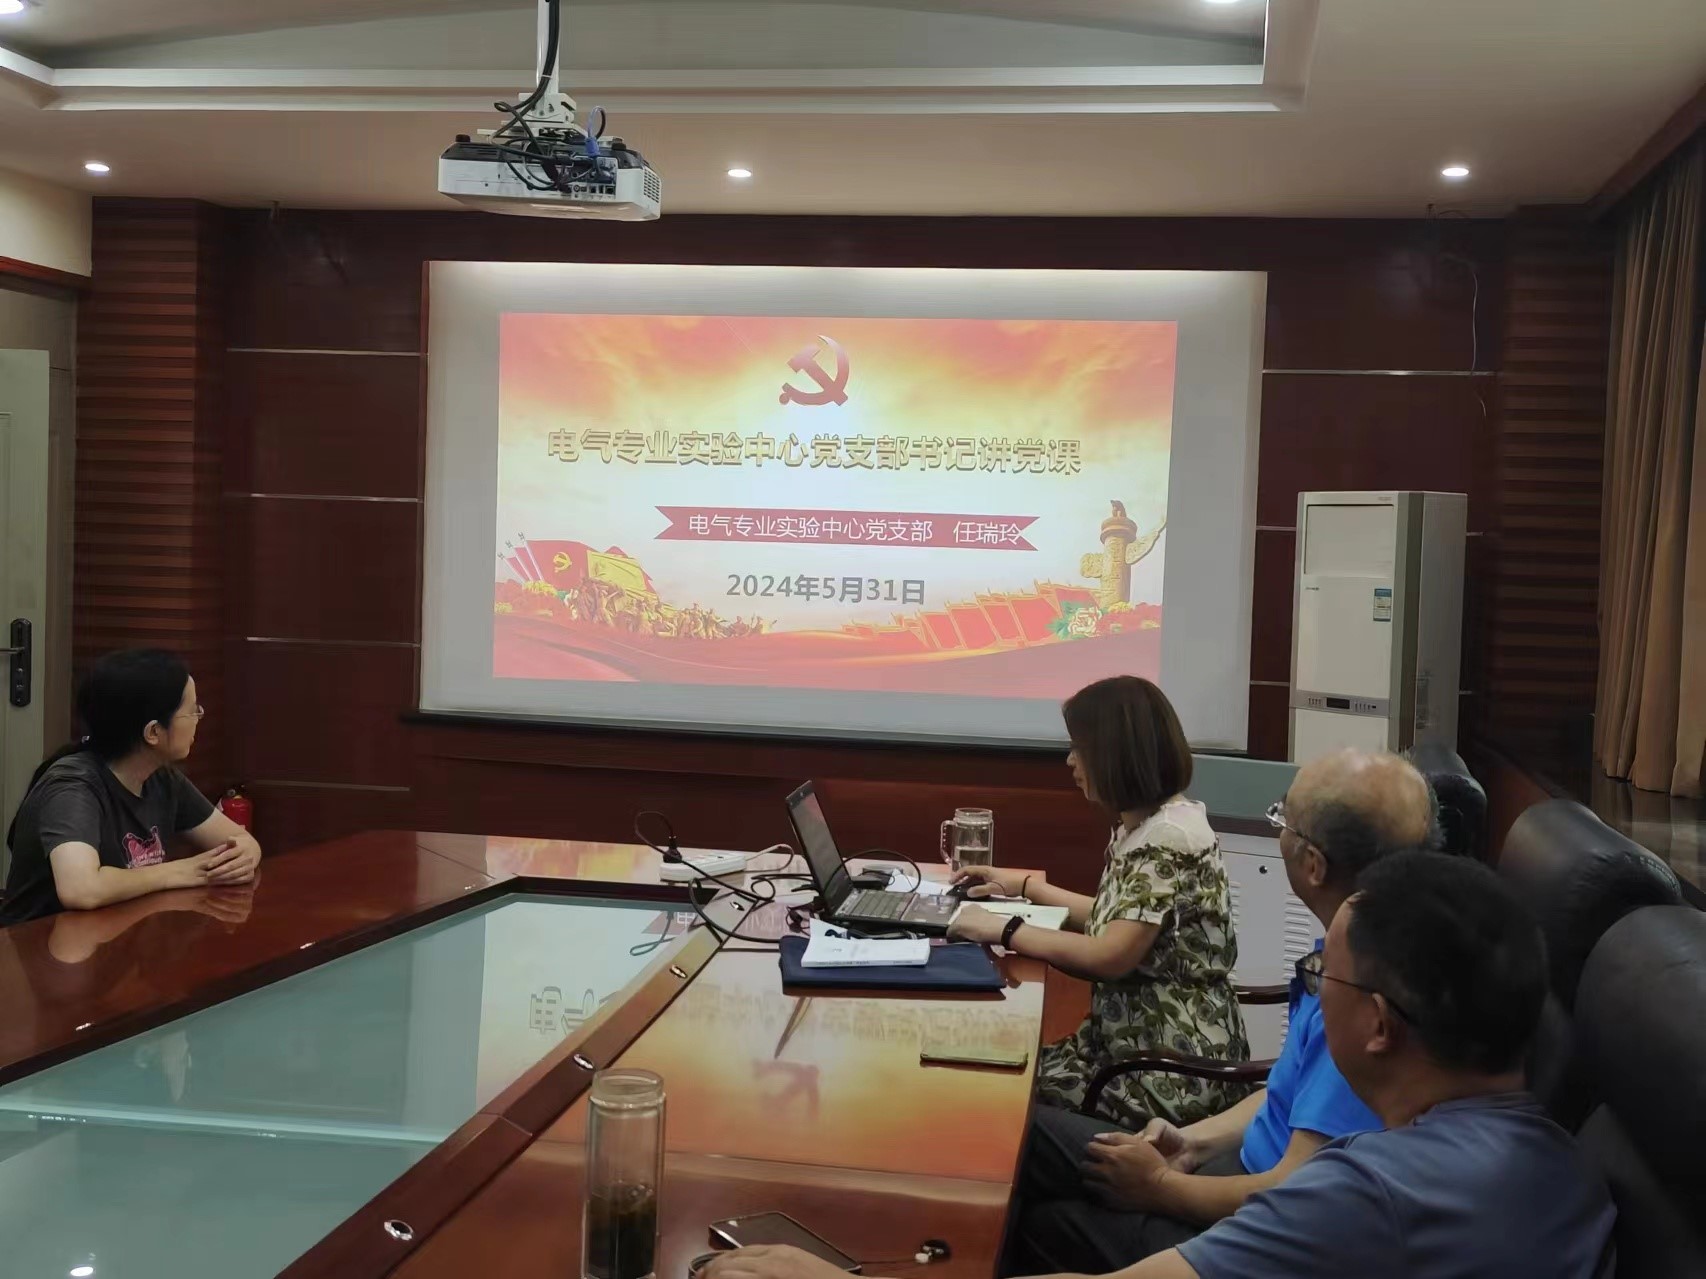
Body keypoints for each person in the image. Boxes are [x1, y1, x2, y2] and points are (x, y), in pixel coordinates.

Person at [704, 853, 1616, 1279]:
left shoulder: (1373, 1194)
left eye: (1321, 975)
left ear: (1378, 1025)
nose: (1313, 991)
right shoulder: (1560, 1161)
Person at [1011, 749, 1436, 1273]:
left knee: (1035, 1208)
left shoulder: (1360, 1005)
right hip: (1228, 1168)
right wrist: (1191, 1142)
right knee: (1023, 1143)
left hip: (1246, 1228)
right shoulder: (1362, 949)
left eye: (1283, 818)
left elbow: (1296, 1195)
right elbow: (1283, 1095)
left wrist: (1162, 1187)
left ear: (1313, 865)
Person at [948, 676, 1249, 1129]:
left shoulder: (1167, 839)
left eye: (1079, 748)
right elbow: (1119, 918)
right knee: (991, 1063)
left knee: (990, 1086)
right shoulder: (1153, 824)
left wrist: (1004, 930)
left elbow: (1110, 955)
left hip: (1163, 1072)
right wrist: (1025, 886)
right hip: (1128, 1048)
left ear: (1115, 753)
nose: (1070, 761)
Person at [1, 648, 262, 925]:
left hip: (115, 936)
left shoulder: (162, 778)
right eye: (191, 711)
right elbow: (80, 890)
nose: (198, 718)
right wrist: (180, 872)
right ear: (153, 732)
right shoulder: (73, 786)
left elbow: (239, 839)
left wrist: (244, 855)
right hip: (43, 943)